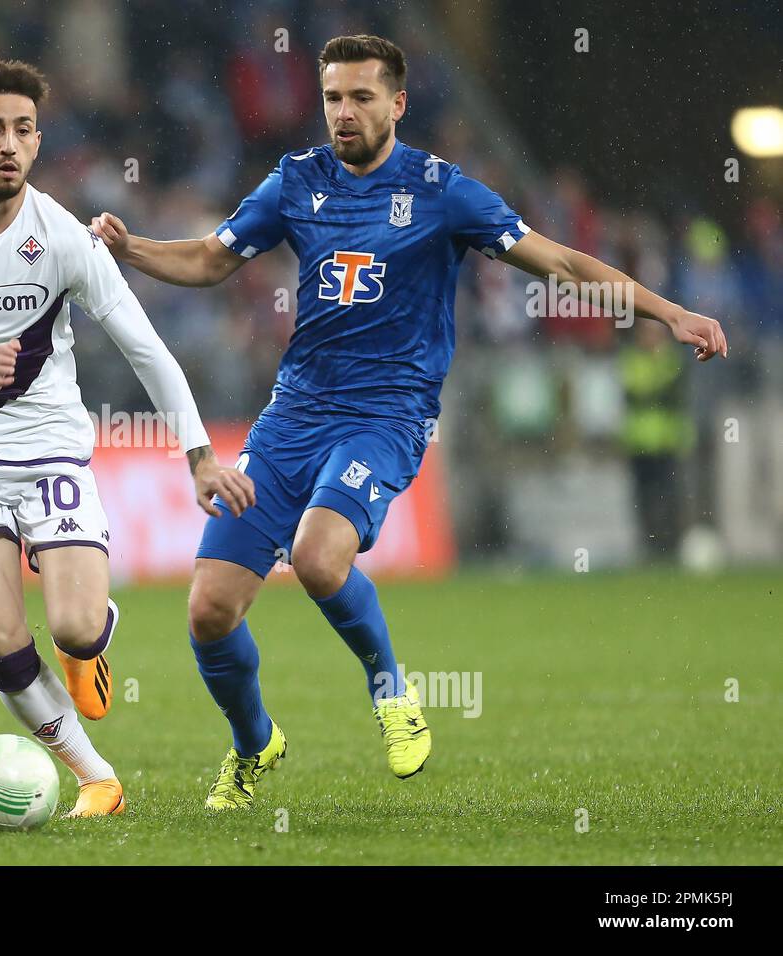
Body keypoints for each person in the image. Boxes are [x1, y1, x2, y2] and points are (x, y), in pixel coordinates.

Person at [91, 34, 728, 809]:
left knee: (319, 558)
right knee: (208, 612)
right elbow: (209, 259)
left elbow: (559, 265)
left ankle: (391, 690)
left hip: (386, 414)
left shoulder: (442, 190)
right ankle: (255, 744)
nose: (345, 112)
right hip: (294, 414)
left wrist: (668, 312)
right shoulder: (296, 182)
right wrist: (130, 248)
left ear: (398, 103)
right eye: (333, 97)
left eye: (362, 97)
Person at [0, 61, 253, 817]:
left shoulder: (63, 238)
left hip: (49, 452)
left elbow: (146, 348)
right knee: (0, 635)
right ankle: (96, 777)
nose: (9, 144)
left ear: (39, 141)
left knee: (75, 626)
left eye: (24, 130)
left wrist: (198, 455)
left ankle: (91, 643)